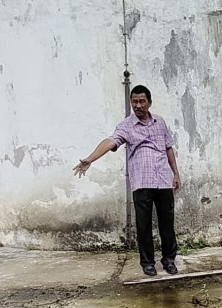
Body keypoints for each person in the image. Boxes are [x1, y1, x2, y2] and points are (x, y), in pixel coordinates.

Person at [74, 85, 181, 277]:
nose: (138, 105)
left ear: (149, 102)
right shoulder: (126, 126)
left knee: (167, 222)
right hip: (142, 180)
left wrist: (176, 173)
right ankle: (147, 263)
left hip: (163, 179)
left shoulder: (160, 122)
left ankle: (169, 260)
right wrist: (90, 158)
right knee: (144, 224)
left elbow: (168, 148)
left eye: (142, 101)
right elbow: (110, 141)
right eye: (134, 101)